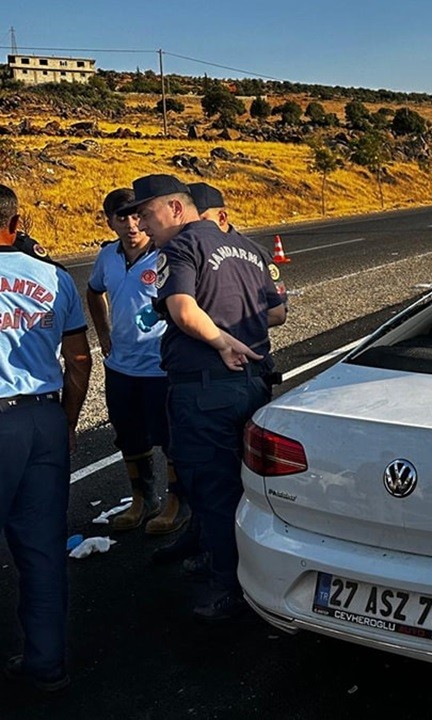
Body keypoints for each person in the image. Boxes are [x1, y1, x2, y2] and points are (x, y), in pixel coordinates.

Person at [123, 174, 287, 621]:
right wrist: (239, 332)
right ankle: (230, 562)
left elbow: (181, 309)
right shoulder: (248, 248)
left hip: (206, 387)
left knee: (212, 489)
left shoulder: (181, 247)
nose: (140, 222)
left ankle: (228, 586)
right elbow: (276, 311)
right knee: (244, 486)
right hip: (251, 383)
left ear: (177, 209)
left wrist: (220, 340)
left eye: (147, 211)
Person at [0, 184, 92, 692]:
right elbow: (79, 360)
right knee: (41, 551)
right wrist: (67, 421)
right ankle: (46, 661)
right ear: (17, 223)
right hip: (41, 419)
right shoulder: (54, 277)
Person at [86, 189, 186, 534]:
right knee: (129, 437)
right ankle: (142, 500)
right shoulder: (107, 257)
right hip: (121, 367)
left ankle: (177, 503)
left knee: (170, 438)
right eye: (121, 218)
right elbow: (93, 290)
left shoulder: (165, 256)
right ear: (109, 222)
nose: (130, 225)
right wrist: (103, 333)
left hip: (159, 367)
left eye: (135, 216)